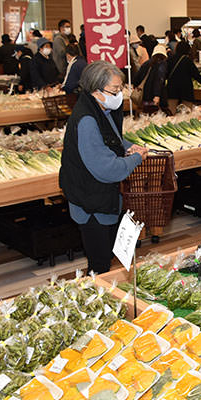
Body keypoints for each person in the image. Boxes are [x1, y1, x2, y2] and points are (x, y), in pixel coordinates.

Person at [59, 61, 148, 274]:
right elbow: (108, 169)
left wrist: (128, 146)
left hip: (97, 197)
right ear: (97, 91)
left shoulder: (100, 109)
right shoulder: (87, 120)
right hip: (90, 201)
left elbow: (111, 139)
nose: (119, 94)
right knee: (99, 265)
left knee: (106, 256)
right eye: (115, 90)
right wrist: (136, 158)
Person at [166, 40, 201, 110]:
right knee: (187, 112)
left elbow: (165, 74)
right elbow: (195, 74)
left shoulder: (170, 59)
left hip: (172, 88)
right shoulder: (187, 60)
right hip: (186, 89)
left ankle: (172, 120)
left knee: (171, 111)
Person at [133, 44, 168, 112]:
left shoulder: (146, 63)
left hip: (145, 95)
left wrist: (137, 87)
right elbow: (159, 80)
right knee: (155, 118)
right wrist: (157, 95)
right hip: (155, 97)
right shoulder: (162, 64)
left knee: (146, 115)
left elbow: (136, 78)